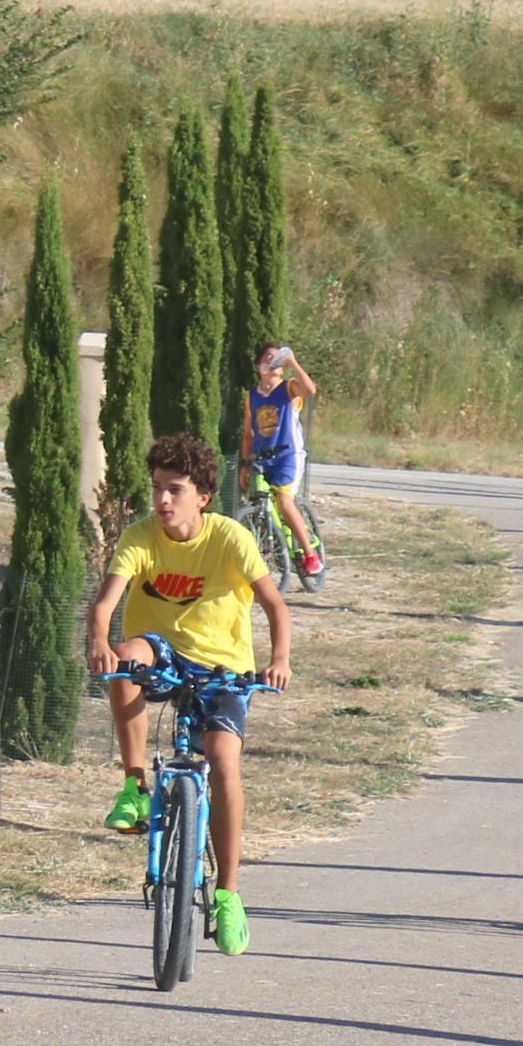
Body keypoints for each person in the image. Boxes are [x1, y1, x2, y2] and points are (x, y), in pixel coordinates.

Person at [89, 431, 296, 958]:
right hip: (164, 652)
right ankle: (135, 785)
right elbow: (106, 602)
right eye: (157, 487)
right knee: (126, 659)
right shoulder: (140, 536)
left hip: (224, 666)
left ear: (202, 496)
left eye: (174, 489)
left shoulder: (229, 539)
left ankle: (227, 894)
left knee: (224, 762)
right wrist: (99, 643)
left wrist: (278, 661)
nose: (162, 500)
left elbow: (275, 606)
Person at [239, 342, 325, 583]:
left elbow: (309, 390)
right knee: (259, 502)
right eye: (268, 357)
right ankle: (273, 548)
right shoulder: (252, 396)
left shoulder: (288, 388)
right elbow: (248, 434)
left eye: (277, 359)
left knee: (284, 501)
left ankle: (310, 554)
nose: (273, 361)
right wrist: (245, 465)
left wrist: (293, 362)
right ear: (258, 366)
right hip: (261, 459)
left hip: (288, 456)